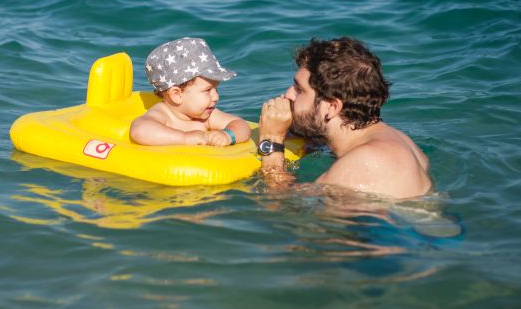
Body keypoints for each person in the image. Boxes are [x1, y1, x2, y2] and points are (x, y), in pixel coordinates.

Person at [258, 37, 432, 199]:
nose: (288, 95)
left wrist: (271, 140)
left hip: (393, 231)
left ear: (332, 107)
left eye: (299, 90)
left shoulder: (364, 161)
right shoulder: (399, 140)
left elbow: (280, 201)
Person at [130, 37, 252, 147]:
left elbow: (242, 125)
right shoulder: (163, 114)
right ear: (177, 95)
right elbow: (139, 131)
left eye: (216, 89)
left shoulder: (207, 116)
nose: (216, 97)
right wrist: (184, 138)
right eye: (208, 90)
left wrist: (227, 135)